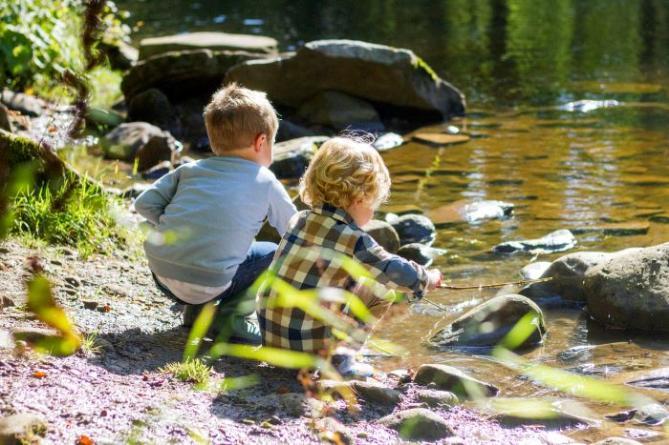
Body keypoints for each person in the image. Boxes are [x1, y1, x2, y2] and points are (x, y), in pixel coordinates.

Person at [256, 136, 442, 373]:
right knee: (381, 292)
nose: (373, 214)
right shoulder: (355, 240)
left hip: (272, 339)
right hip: (305, 347)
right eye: (373, 205)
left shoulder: (299, 220)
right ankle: (342, 360)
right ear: (359, 199)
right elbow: (394, 270)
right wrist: (427, 278)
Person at [134, 83, 296, 343]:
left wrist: (172, 224)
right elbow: (294, 230)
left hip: (162, 275)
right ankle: (230, 318)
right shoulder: (265, 181)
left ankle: (197, 313)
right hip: (212, 281)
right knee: (270, 252)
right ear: (261, 141)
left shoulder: (190, 169)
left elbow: (143, 203)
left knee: (228, 248)